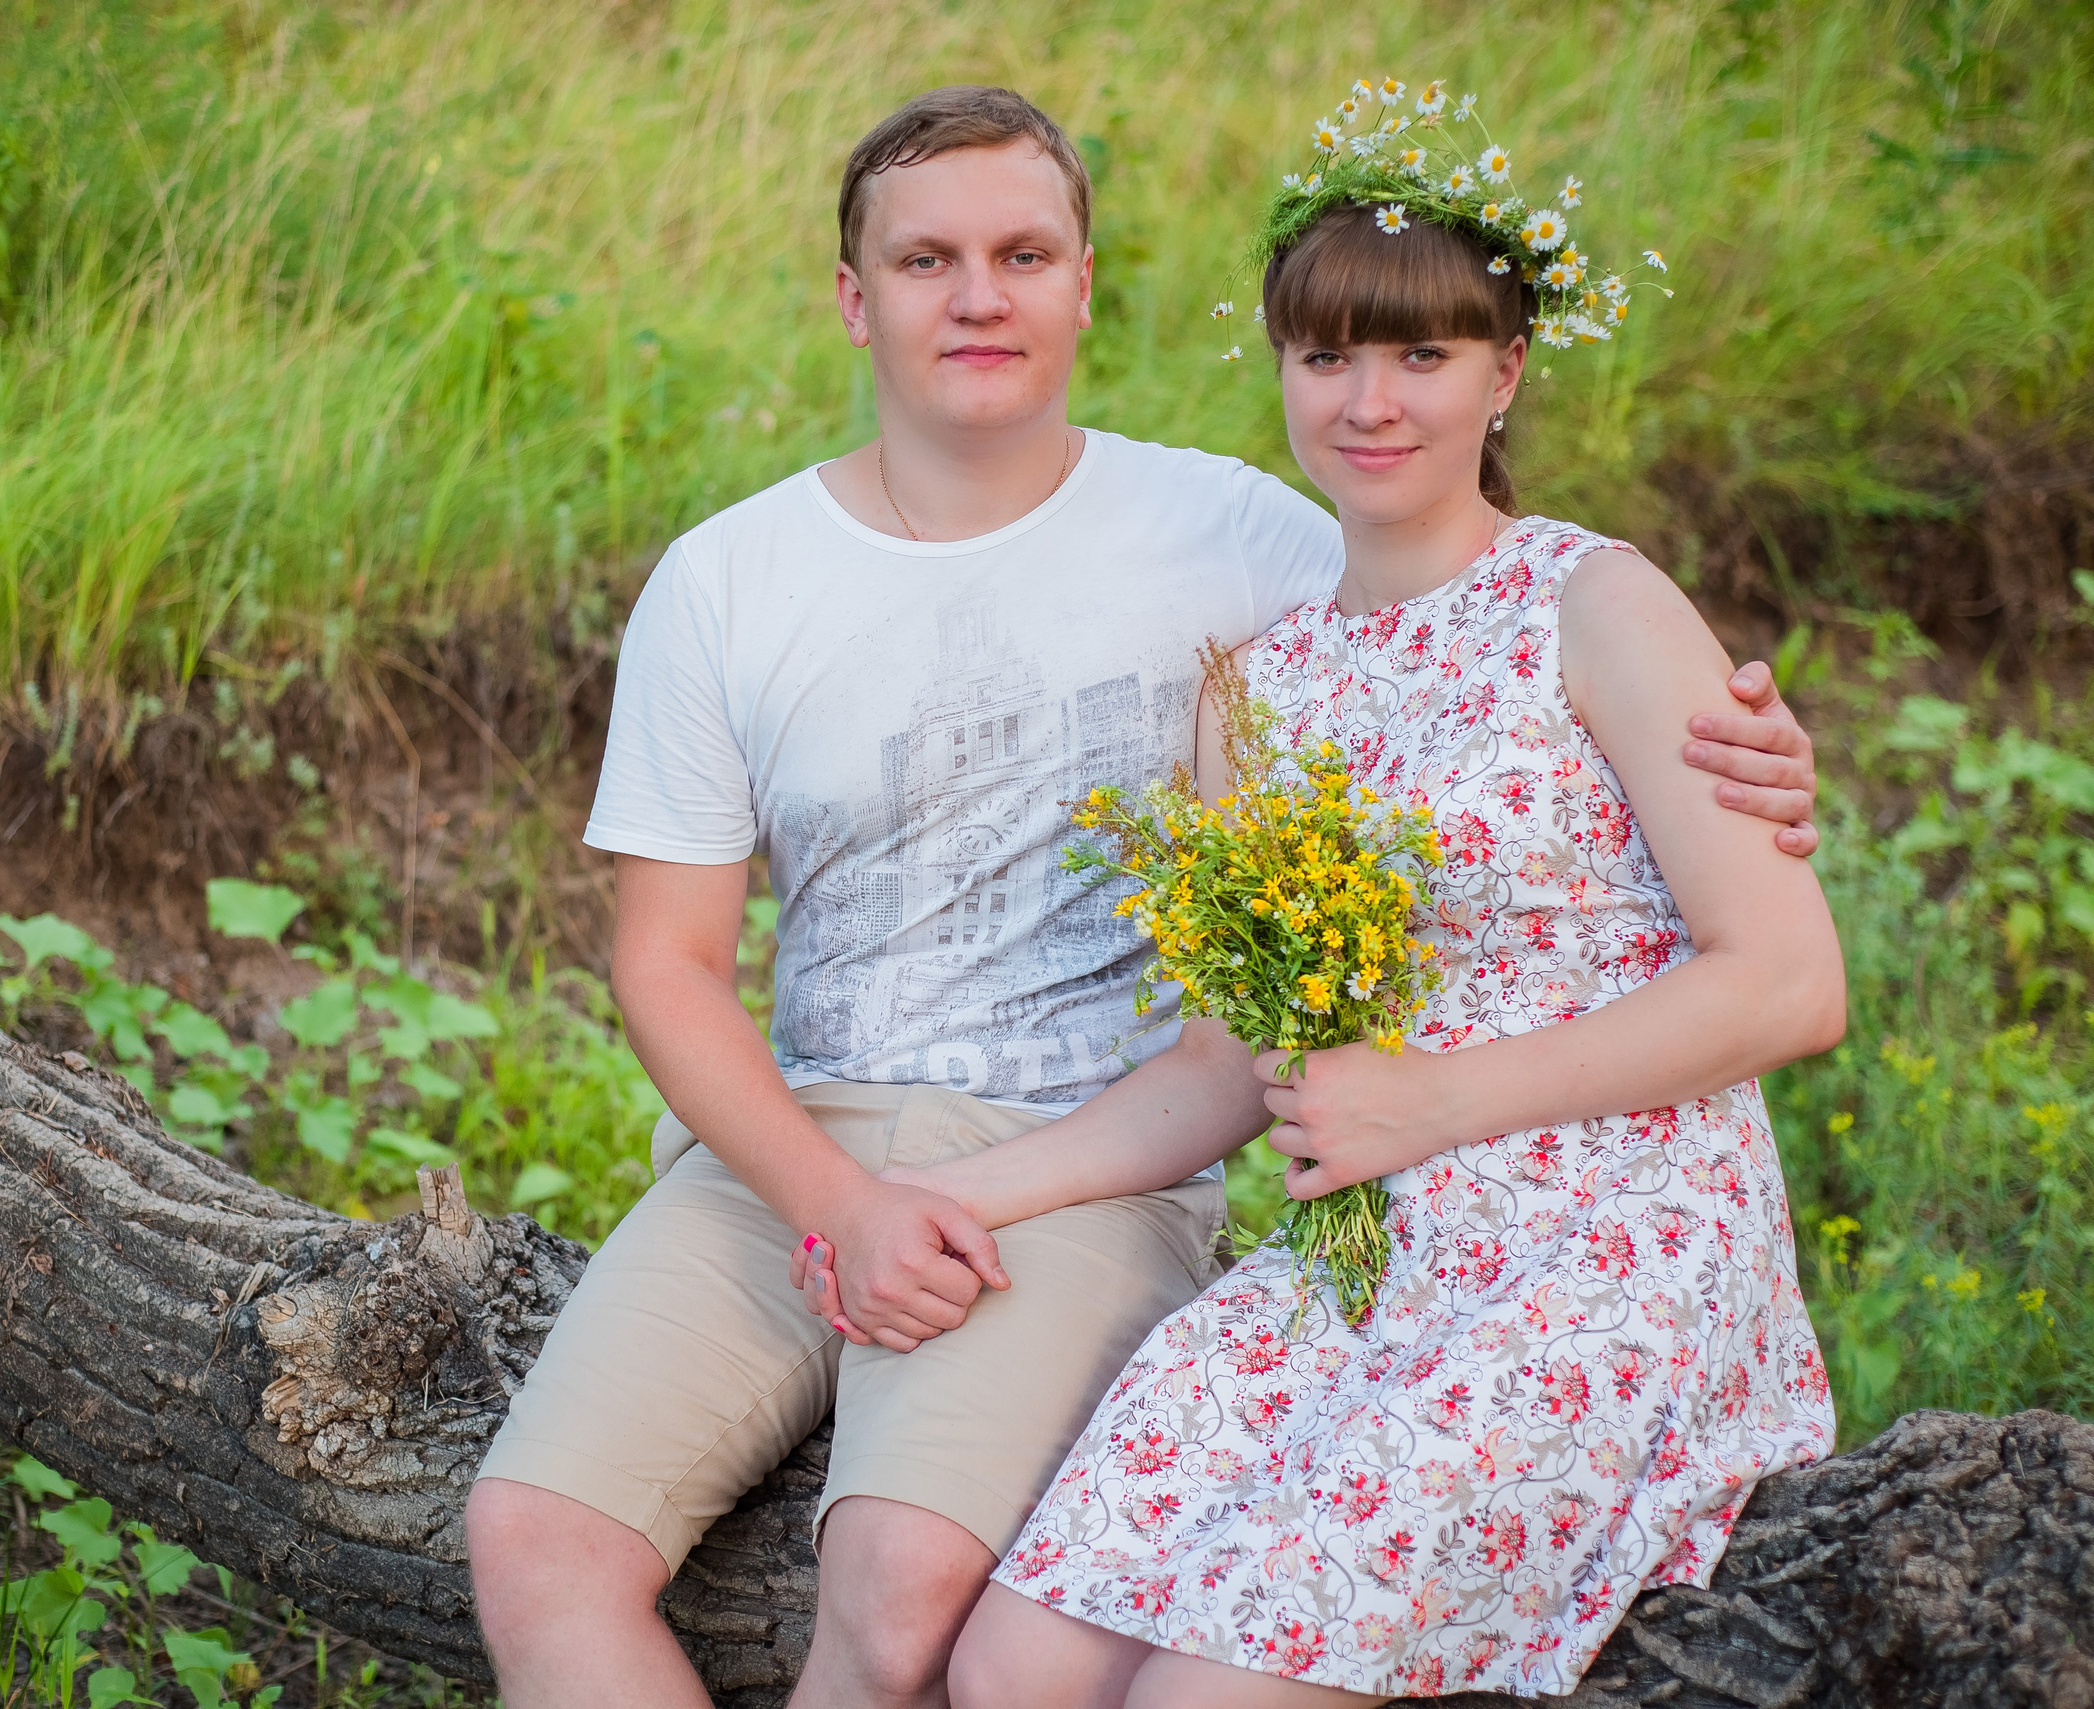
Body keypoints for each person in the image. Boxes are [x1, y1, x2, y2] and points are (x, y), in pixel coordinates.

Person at [464, 86, 1824, 1709]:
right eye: (1327, 359)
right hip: (1185, 1210)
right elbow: (1190, 1048)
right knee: (851, 1626)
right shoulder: (1242, 661)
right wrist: (863, 1199)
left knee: (985, 1626)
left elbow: (1759, 944)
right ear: (853, 295)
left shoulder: (1402, 565)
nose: (1370, 404)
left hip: (1541, 1227)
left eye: (1023, 252)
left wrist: (1747, 748)